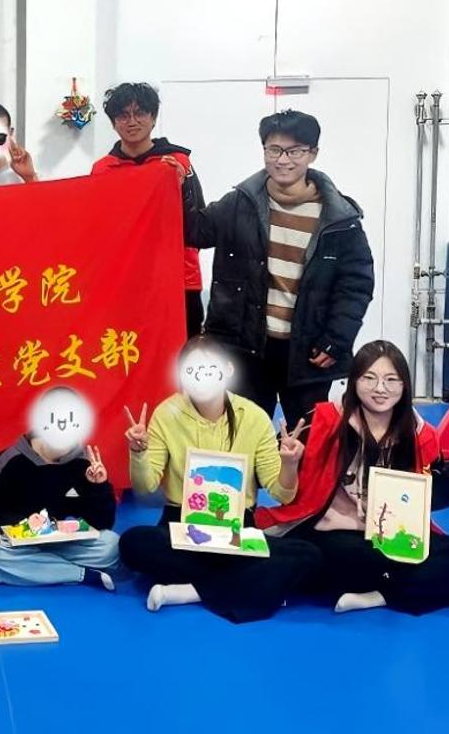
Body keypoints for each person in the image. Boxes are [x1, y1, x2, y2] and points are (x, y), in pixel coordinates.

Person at [257, 340, 449, 615]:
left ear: (404, 385)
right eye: (369, 378)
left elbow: (430, 497)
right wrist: (290, 461)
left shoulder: (420, 435)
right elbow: (282, 484)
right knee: (331, 556)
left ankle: (380, 595)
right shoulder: (324, 421)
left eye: (391, 380)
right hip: (333, 534)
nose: (380, 388)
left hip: (395, 536)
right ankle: (401, 585)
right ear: (353, 381)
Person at [183, 109, 374, 427]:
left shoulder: (339, 219)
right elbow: (194, 231)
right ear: (264, 151)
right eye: (274, 150)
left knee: (306, 437)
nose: (283, 160)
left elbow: (356, 285)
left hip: (308, 351)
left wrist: (335, 340)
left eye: (294, 151)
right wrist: (183, 181)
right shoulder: (239, 204)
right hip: (244, 349)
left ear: (312, 153)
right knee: (240, 434)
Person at [117, 338, 321, 622]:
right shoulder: (167, 413)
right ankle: (245, 583)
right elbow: (145, 486)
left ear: (227, 370)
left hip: (237, 527)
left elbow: (282, 494)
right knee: (133, 543)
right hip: (181, 524)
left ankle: (192, 590)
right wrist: (138, 452)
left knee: (308, 555)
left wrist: (289, 464)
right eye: (192, 370)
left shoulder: (254, 416)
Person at [0, 387, 120, 589]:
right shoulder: (10, 459)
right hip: (15, 544)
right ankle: (81, 574)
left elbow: (102, 523)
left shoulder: (84, 464)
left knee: (112, 545)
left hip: (63, 543)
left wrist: (99, 487)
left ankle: (42, 567)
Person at [91, 83, 204, 338]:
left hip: (178, 279)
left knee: (183, 354)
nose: (132, 121)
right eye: (123, 115)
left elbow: (199, 223)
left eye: (140, 113)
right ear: (113, 123)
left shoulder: (177, 162)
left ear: (153, 118)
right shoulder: (103, 169)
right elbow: (96, 227)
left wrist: (182, 189)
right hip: (124, 280)